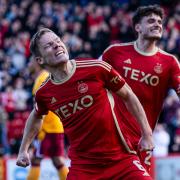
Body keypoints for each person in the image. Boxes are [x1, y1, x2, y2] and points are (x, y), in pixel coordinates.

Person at [16, 28, 154, 179]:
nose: (57, 45)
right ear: (40, 60)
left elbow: (128, 95)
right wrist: (23, 150)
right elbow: (36, 115)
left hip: (121, 160)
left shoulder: (96, 68)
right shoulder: (44, 92)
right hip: (84, 168)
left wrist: (146, 134)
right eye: (48, 45)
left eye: (57, 40)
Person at [101, 4, 180, 172]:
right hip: (110, 137)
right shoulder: (114, 53)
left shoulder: (170, 62)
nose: (157, 24)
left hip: (143, 140)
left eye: (160, 21)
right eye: (151, 21)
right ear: (138, 27)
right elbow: (92, 82)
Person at [26, 60, 69, 180]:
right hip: (56, 126)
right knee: (57, 160)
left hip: (46, 128)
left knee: (35, 159)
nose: (28, 64)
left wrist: (39, 130)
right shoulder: (46, 75)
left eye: (30, 62)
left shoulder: (41, 78)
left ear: (37, 63)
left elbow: (39, 108)